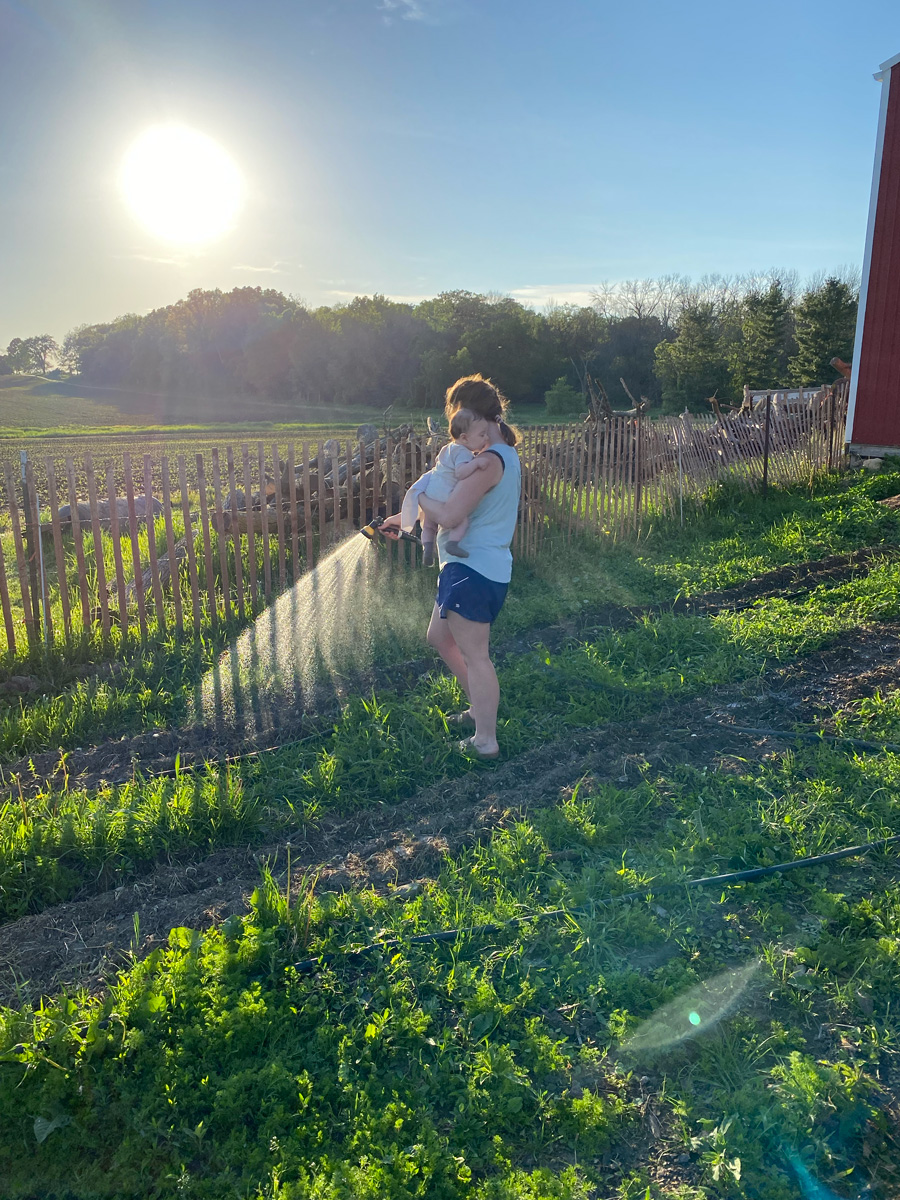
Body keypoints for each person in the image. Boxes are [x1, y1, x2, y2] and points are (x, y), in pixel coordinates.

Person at [382, 374, 521, 759]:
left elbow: (451, 512)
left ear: (475, 415)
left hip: (475, 571)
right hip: (467, 570)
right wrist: (403, 517)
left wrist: (420, 496)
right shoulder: (487, 458)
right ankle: (480, 707)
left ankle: (486, 739)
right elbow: (449, 502)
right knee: (439, 638)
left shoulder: (490, 461)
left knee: (476, 654)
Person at [399, 406, 495, 565]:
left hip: (431, 492)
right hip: (445, 495)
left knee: (429, 526)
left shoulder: (447, 448)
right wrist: (477, 463)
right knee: (462, 520)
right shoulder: (463, 452)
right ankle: (453, 543)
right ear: (464, 438)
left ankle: (427, 548)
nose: (486, 438)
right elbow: (461, 473)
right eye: (482, 435)